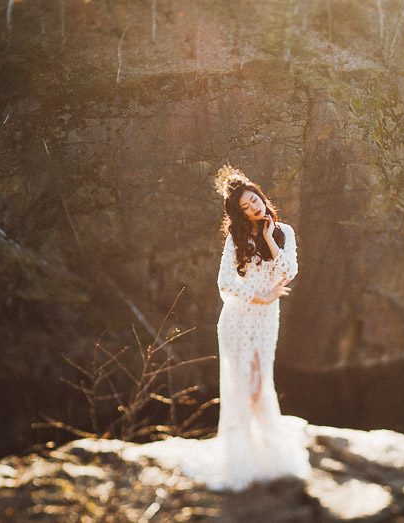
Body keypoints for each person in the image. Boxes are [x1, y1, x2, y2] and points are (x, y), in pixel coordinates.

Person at [127, 165, 312, 491]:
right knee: (241, 389)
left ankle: (267, 456)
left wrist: (269, 238)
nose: (254, 207)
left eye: (254, 200)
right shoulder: (236, 240)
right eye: (246, 207)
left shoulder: (284, 232)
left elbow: (289, 270)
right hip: (236, 321)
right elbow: (225, 285)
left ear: (261, 196)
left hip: (267, 323)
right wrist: (262, 296)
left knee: (259, 385)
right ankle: (242, 459)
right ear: (240, 214)